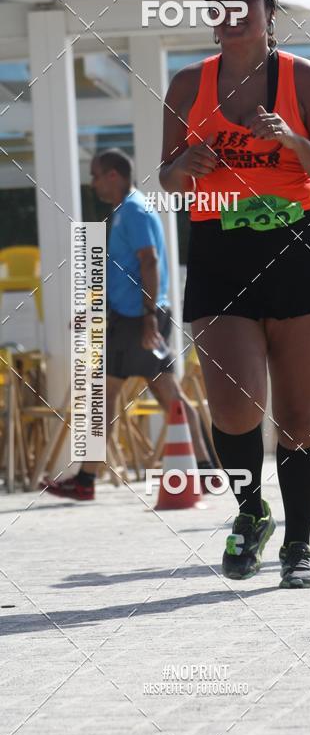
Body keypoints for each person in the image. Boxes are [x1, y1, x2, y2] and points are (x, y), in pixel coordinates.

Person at [159, 0, 310, 588]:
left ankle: (299, 543)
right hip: (219, 247)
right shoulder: (188, 84)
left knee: (300, 415)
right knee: (234, 403)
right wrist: (185, 162)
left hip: (297, 245)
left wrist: (294, 142)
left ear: (271, 11)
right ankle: (251, 512)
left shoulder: (305, 80)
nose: (232, 9)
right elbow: (165, 177)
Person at [45, 149, 214, 501]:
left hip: (140, 319)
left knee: (113, 397)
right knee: (165, 396)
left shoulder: (134, 210)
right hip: (134, 317)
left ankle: (87, 480)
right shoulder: (126, 211)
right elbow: (124, 273)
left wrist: (149, 316)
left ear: (113, 175)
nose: (91, 183)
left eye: (94, 175)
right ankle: (206, 471)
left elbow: (149, 262)